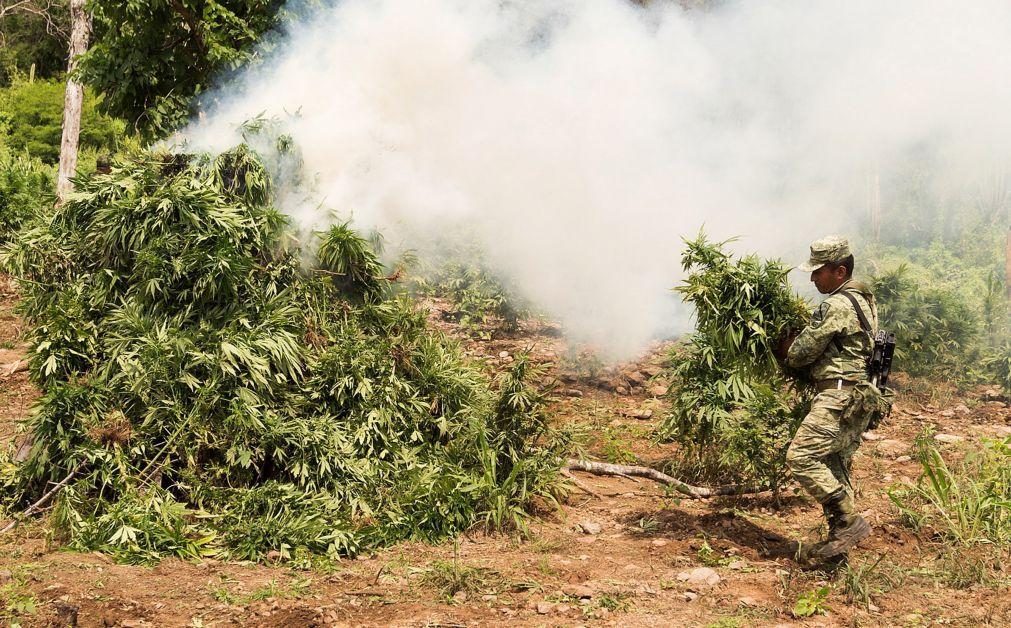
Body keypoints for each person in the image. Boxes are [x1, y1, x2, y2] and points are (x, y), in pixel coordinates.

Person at [779, 235, 877, 564]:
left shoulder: (836, 305)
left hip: (837, 394)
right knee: (835, 465)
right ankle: (838, 545)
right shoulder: (864, 299)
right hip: (857, 396)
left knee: (802, 457)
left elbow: (801, 353)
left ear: (838, 271)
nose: (812, 278)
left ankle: (848, 521)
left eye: (818, 271)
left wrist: (787, 348)